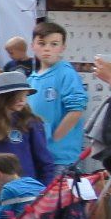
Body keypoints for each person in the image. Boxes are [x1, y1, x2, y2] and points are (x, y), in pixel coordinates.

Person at [29, 20, 89, 168]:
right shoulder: (30, 80)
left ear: (63, 47)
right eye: (42, 43)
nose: (47, 49)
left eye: (54, 44)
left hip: (61, 159)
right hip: (38, 157)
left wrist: (54, 139)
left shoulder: (66, 73)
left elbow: (76, 110)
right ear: (33, 46)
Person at [0, 68, 55, 184]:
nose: (21, 100)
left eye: (24, 95)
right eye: (16, 95)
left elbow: (44, 161)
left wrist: (44, 191)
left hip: (27, 191)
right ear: (3, 97)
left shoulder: (31, 122)